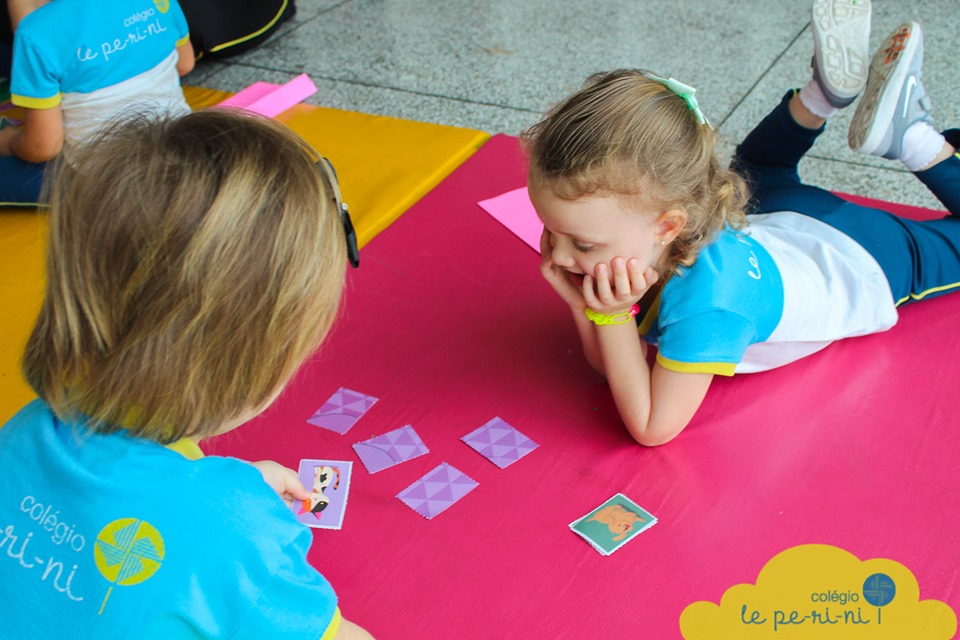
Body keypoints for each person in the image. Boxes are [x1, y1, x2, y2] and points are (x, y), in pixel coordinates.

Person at [0, 109, 372, 639]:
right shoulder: (238, 537)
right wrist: (231, 512)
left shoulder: (27, 428)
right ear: (258, 361)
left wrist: (228, 490)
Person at [523, 0, 960, 447]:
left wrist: (611, 317)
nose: (557, 256)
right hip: (784, 215)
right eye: (550, 231)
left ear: (667, 227)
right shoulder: (683, 214)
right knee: (755, 168)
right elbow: (615, 364)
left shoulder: (710, 307)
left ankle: (912, 139)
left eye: (582, 243)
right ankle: (822, 97)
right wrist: (589, 309)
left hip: (867, 259)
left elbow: (654, 427)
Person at [0, 0, 194, 206]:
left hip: (104, 179)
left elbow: (44, 147)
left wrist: (8, 142)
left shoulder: (35, 32)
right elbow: (185, 63)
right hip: (182, 150)